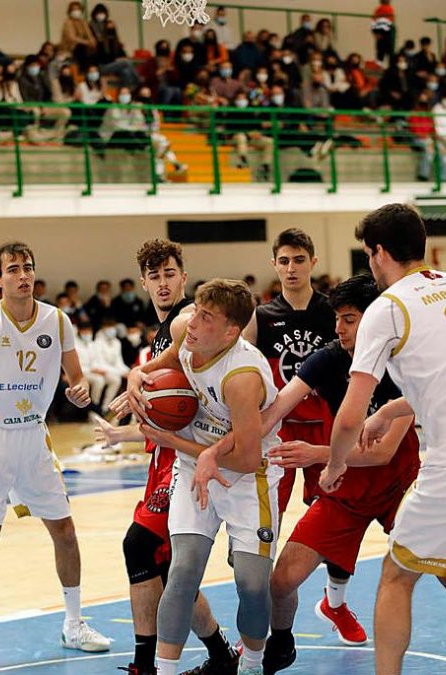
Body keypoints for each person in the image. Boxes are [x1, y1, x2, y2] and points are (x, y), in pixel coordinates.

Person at [320, 204, 446, 675]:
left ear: (378, 253)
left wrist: (335, 465)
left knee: (396, 576)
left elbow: (351, 413)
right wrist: (395, 408)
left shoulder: (386, 309)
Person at [193, 275, 422, 671]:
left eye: (348, 319)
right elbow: (274, 411)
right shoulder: (330, 358)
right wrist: (214, 449)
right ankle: (281, 643)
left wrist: (318, 454)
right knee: (281, 581)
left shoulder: (405, 363)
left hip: (401, 485)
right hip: (347, 484)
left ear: (373, 320)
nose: (338, 328)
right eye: (337, 318)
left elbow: (383, 453)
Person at [0, 242, 111, 672]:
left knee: (66, 532)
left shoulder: (57, 320)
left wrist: (79, 390)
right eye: (13, 269)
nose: (23, 275)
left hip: (34, 440)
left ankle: (73, 623)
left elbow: (76, 379)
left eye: (28, 268)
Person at [124, 279, 284, 675]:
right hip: (197, 471)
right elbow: (158, 365)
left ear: (231, 332)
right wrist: (135, 376)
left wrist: (171, 440)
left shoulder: (241, 377)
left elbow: (246, 458)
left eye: (205, 316)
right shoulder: (190, 337)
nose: (192, 321)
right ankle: (164, 670)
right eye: (195, 309)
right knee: (181, 571)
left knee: (251, 586)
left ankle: (251, 664)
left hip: (249, 480)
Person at [94, 240, 238, 675]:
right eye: (154, 276)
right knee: (170, 568)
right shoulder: (156, 339)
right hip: (164, 458)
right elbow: (166, 412)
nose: (162, 282)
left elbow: (192, 398)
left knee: (138, 547)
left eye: (169, 274)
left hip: (190, 459)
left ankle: (145, 666)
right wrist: (122, 433)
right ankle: (220, 654)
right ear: (143, 282)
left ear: (183, 276)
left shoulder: (185, 323)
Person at [242, 229, 336, 518]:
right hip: (279, 427)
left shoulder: (334, 312)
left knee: (329, 511)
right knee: (269, 512)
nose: (291, 268)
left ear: (313, 262)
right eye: (284, 261)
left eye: (299, 260)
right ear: (274, 265)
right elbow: (242, 374)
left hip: (326, 424)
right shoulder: (261, 316)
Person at [60, 0, 98, 70]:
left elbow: (89, 35)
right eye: (74, 9)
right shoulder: (68, 22)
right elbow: (72, 38)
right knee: (82, 48)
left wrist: (93, 41)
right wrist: (87, 42)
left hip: (85, 47)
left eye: (78, 9)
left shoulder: (83, 22)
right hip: (72, 48)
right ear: (70, 11)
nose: (76, 11)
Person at [370, 0, 396, 66]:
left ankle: (390, 69)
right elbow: (375, 21)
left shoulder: (389, 8)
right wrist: (377, 33)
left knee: (388, 53)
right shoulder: (380, 9)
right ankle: (380, 67)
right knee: (381, 53)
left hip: (388, 32)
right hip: (383, 32)